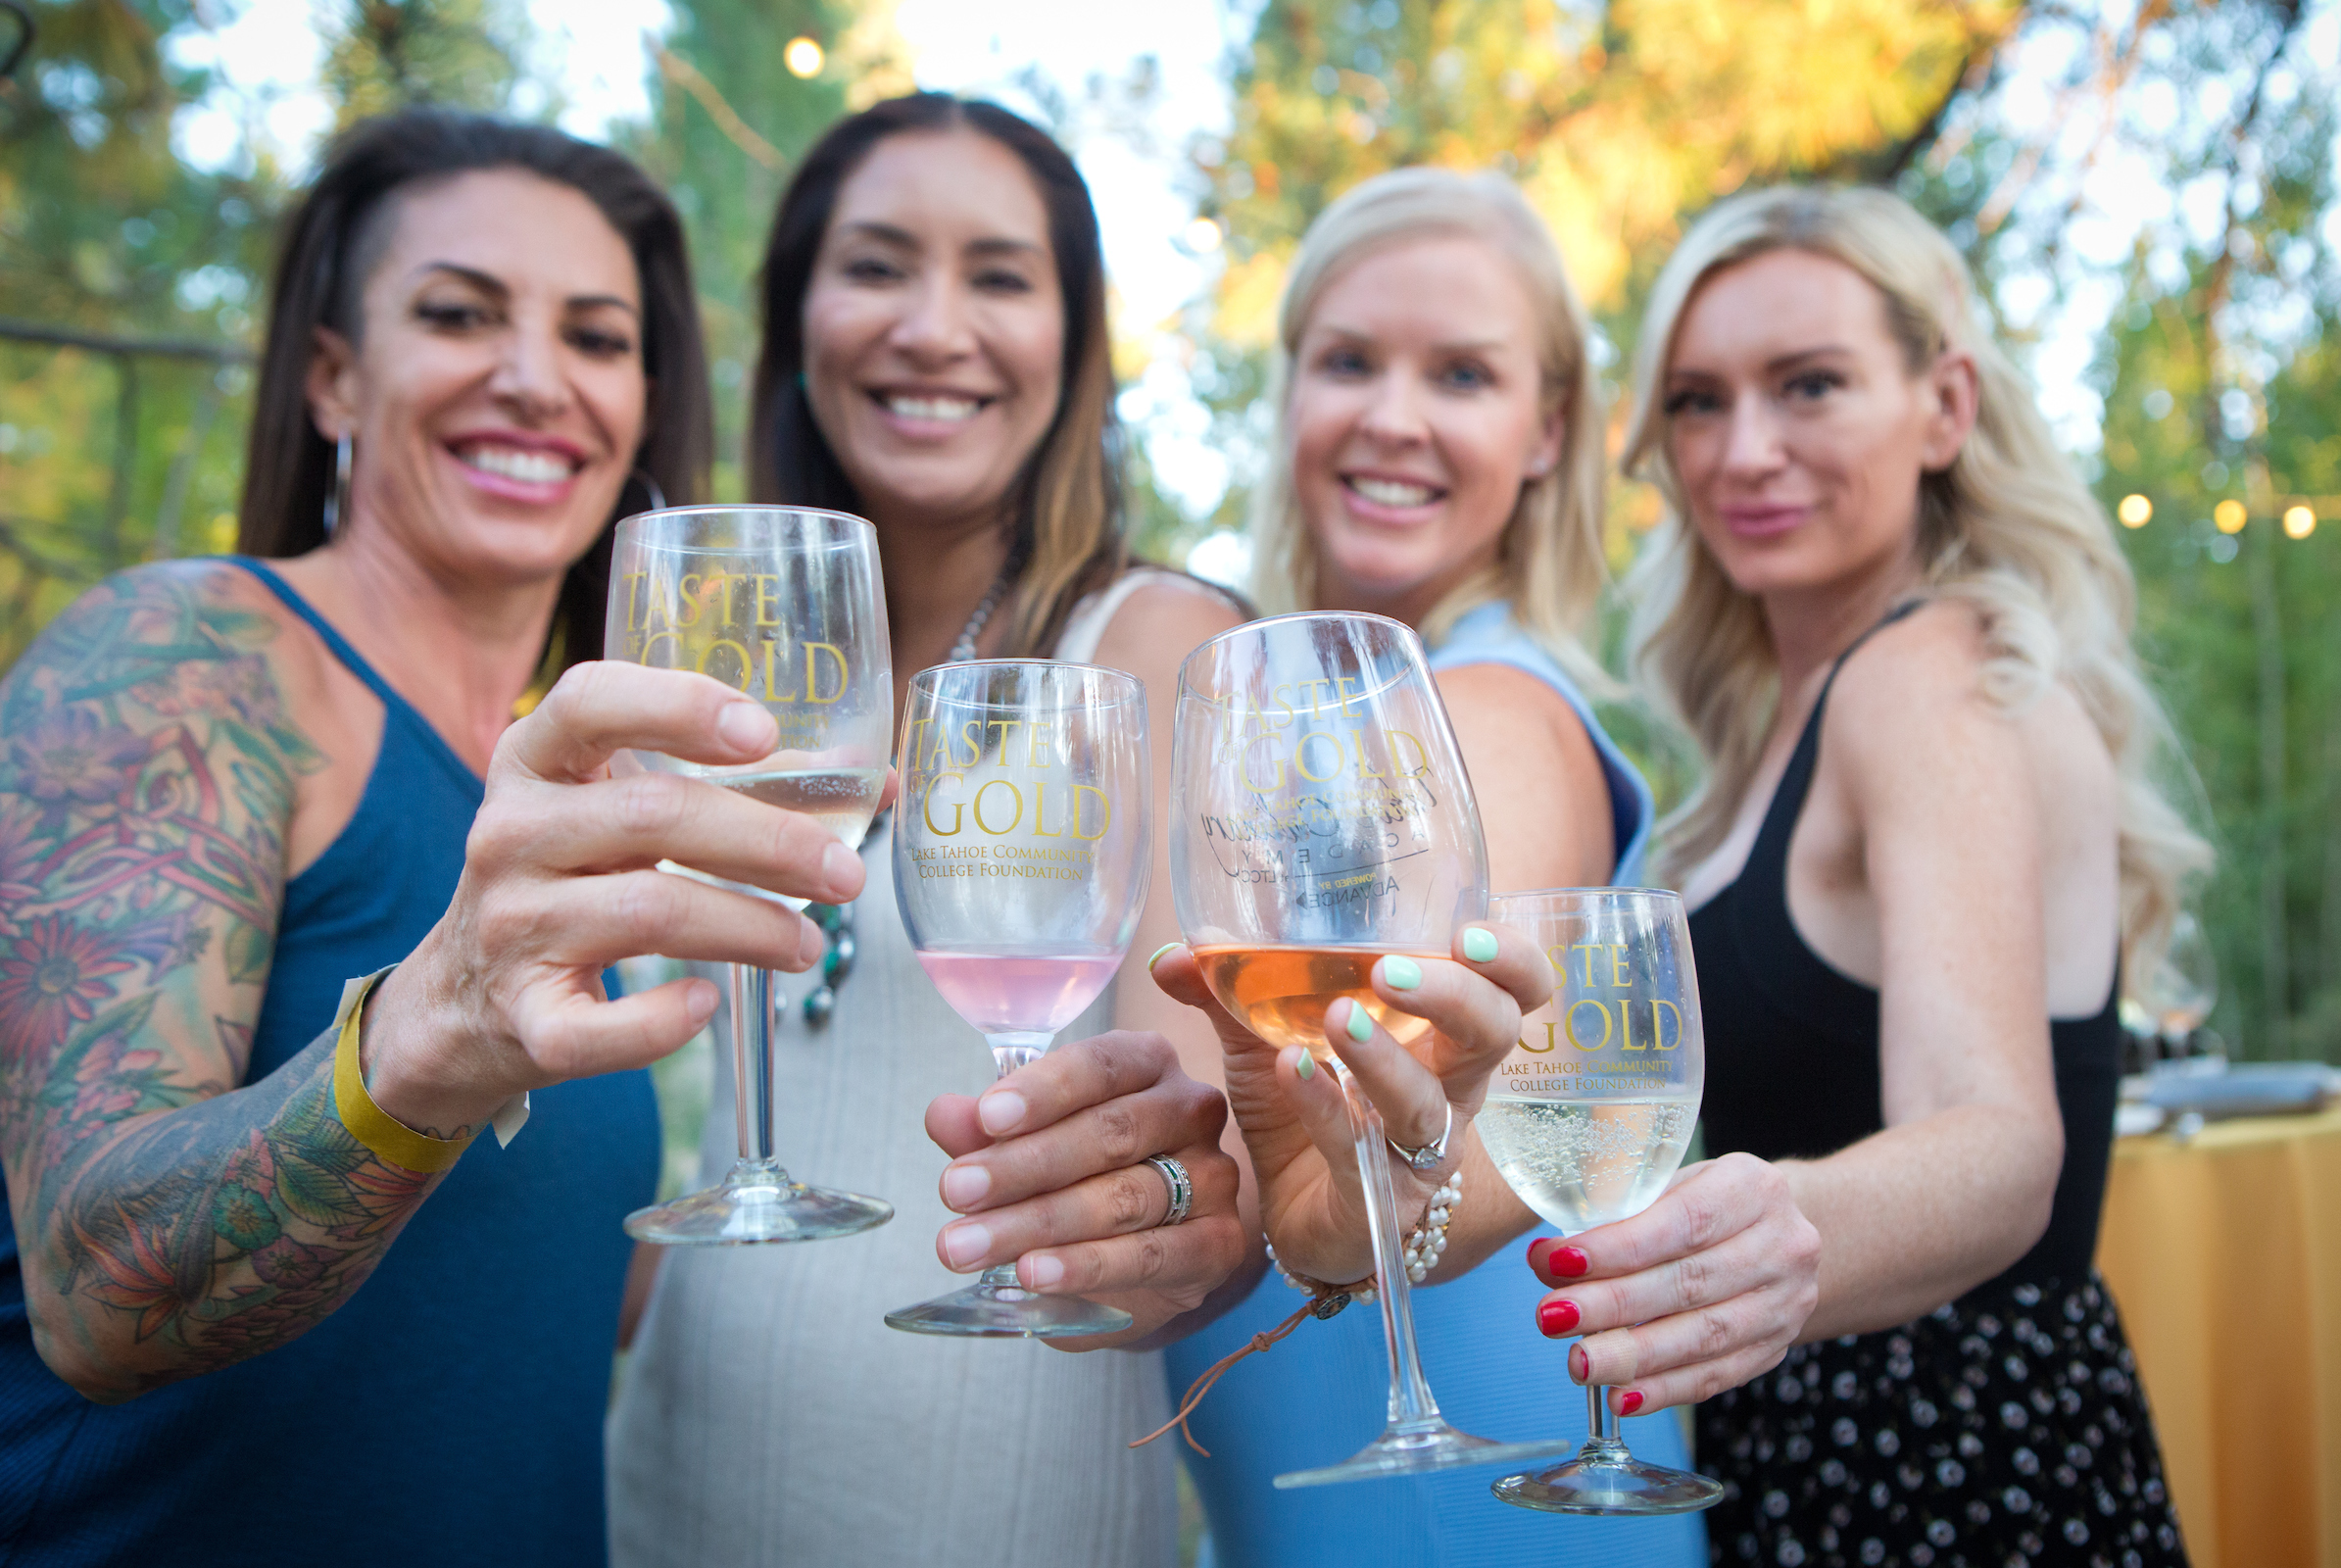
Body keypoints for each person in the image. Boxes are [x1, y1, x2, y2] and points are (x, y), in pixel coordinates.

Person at [0, 109, 758, 1565]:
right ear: (336, 376)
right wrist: (423, 1038)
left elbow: (528, 1313)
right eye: (461, 314)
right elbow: (97, 1291)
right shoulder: (186, 661)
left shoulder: (597, 797)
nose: (536, 379)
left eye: (597, 339)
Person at [607, 94, 1247, 1568]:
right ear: (799, 318)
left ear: (1076, 347)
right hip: (675, 1458)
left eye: (1000, 277)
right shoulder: (730, 673)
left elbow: (1224, 1136)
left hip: (996, 1490)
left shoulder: (1146, 644)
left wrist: (1192, 1224)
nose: (932, 326)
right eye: (879, 265)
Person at [1549, 183, 2199, 1566]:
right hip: (1807, 1449)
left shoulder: (1927, 674)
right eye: (1698, 402)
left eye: (1811, 387)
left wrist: (1748, 1241)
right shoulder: (1778, 728)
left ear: (1945, 406)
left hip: (1939, 1467)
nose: (1746, 450)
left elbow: (2000, 1146)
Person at [1157, 169, 1708, 1565]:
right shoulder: (1273, 731)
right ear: (1290, 396)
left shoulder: (1499, 715)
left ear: (1546, 431)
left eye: (1460, 373)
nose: (1391, 415)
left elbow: (1459, 1148)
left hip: (1480, 1506)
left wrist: (1354, 1218)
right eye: (1349, 361)